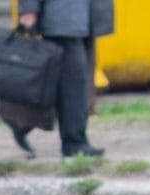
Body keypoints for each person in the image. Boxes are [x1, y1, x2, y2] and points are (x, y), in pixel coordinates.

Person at [17, 0, 114, 157]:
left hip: (83, 16)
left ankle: (23, 122)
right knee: (74, 83)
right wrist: (29, 8)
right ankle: (74, 142)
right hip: (62, 17)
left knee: (66, 84)